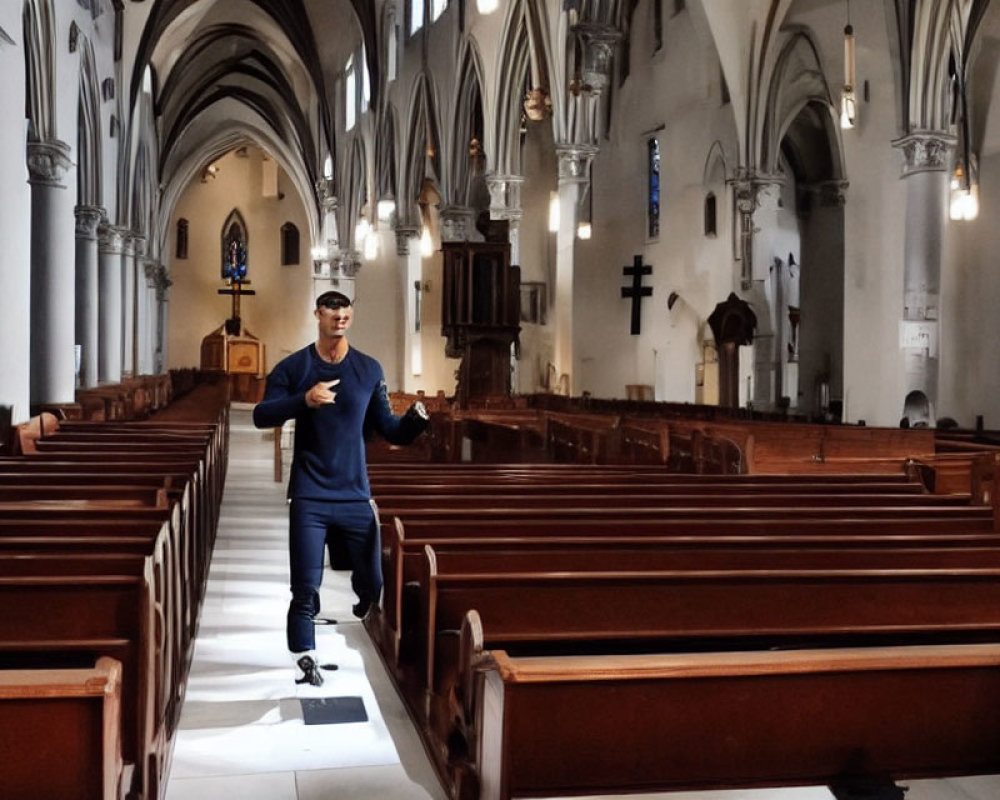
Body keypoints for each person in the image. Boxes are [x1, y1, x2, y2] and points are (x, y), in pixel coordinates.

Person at [252, 290, 429, 686]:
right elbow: (262, 415)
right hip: (310, 496)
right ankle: (305, 654)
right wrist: (304, 400)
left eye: (345, 309)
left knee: (373, 580)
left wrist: (416, 421)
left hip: (353, 494)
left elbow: (390, 429)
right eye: (331, 308)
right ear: (317, 314)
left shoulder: (368, 369)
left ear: (351, 314)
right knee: (304, 586)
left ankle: (364, 597)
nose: (339, 314)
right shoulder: (295, 367)